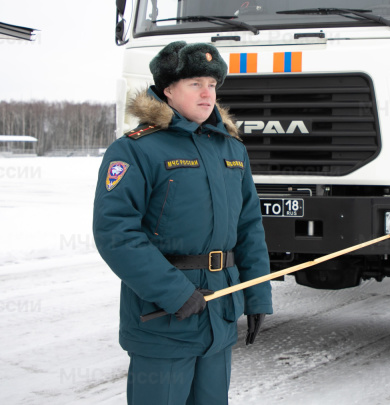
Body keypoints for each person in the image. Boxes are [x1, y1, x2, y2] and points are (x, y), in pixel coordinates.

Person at [93, 41, 273, 404]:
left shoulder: (231, 149)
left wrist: (256, 294)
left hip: (219, 315)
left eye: (212, 84)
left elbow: (249, 228)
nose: (207, 94)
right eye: (195, 84)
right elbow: (116, 233)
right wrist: (175, 293)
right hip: (164, 319)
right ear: (168, 90)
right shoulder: (135, 150)